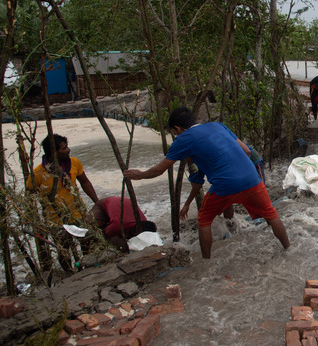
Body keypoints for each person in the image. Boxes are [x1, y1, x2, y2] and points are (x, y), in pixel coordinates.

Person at [124, 107, 290, 259]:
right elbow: (246, 151)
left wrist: (140, 175)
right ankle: (288, 250)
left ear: (177, 129)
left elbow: (159, 170)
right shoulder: (218, 126)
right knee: (271, 214)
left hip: (225, 184)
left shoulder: (183, 139)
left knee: (204, 220)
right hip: (252, 178)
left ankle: (206, 263)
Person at [26, 134, 99, 272]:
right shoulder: (38, 174)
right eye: (64, 148)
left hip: (78, 214)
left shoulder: (74, 163)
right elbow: (29, 198)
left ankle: (87, 271)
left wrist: (97, 202)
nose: (68, 150)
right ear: (54, 153)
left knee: (87, 244)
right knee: (64, 251)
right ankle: (69, 274)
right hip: (56, 221)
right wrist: (35, 222)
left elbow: (84, 182)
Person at [91, 196, 157, 252]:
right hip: (103, 207)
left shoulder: (143, 220)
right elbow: (104, 233)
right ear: (134, 233)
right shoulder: (118, 225)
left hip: (122, 204)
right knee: (91, 231)